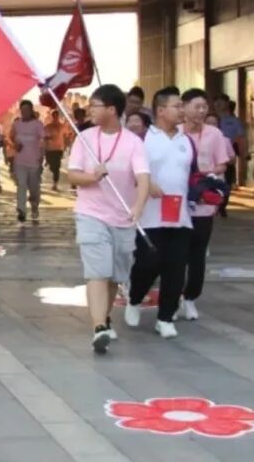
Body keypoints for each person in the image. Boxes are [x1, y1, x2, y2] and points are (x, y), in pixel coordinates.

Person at [66, 84, 149, 354]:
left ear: (112, 110)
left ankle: (105, 316)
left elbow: (143, 178)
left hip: (122, 218)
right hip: (90, 214)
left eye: (95, 105)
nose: (90, 110)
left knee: (114, 276)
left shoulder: (133, 142)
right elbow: (73, 175)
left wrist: (138, 206)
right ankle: (99, 327)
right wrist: (93, 177)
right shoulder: (84, 138)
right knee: (97, 273)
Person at [124, 87, 193, 339]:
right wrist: (147, 183)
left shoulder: (186, 140)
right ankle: (134, 298)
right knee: (148, 264)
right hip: (150, 217)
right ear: (161, 110)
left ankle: (165, 318)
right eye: (177, 106)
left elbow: (193, 174)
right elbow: (128, 170)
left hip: (180, 216)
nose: (182, 110)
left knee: (176, 268)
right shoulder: (143, 139)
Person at [178, 89, 233, 319]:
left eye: (204, 107)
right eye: (196, 106)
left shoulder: (214, 134)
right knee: (176, 253)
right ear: (183, 107)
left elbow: (223, 164)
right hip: (178, 201)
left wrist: (206, 174)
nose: (201, 111)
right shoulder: (175, 133)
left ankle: (190, 297)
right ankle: (173, 297)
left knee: (198, 253)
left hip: (203, 201)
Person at [10, 100, 45, 223]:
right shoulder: (16, 124)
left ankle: (34, 205)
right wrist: (15, 145)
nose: (24, 112)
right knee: (21, 185)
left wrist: (42, 155)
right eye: (23, 110)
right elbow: (12, 136)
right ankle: (21, 210)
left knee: (34, 188)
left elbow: (43, 140)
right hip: (20, 161)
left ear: (31, 111)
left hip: (34, 161)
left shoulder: (37, 124)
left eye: (27, 110)